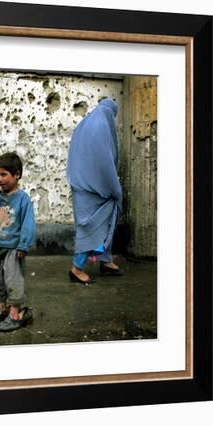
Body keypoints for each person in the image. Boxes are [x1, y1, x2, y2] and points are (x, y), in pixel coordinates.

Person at [66, 97, 124, 285]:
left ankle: (105, 261)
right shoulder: (101, 126)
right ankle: (77, 268)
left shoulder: (85, 124)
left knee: (106, 223)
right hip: (94, 189)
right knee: (89, 228)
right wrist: (114, 188)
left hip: (82, 185)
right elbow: (104, 163)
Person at [0, 152, 36, 332]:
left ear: (17, 175)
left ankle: (15, 314)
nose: (0, 179)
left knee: (13, 281)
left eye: (4, 174)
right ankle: (2, 310)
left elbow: (28, 223)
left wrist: (23, 244)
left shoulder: (23, 199)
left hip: (13, 248)